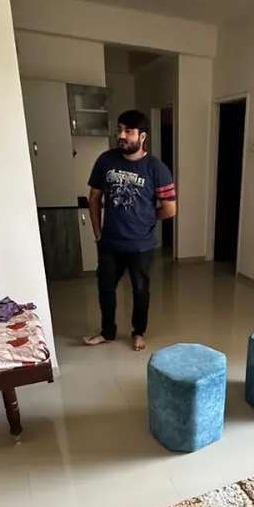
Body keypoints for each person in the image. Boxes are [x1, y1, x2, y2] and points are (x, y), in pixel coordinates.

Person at [83, 110, 177, 352]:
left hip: (140, 245)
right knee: (105, 289)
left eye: (128, 131)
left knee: (140, 290)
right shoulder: (106, 160)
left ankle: (138, 332)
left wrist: (148, 217)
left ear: (142, 136)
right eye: (120, 129)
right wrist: (97, 233)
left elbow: (170, 209)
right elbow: (94, 197)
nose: (122, 135)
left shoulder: (156, 168)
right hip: (110, 243)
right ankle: (107, 332)